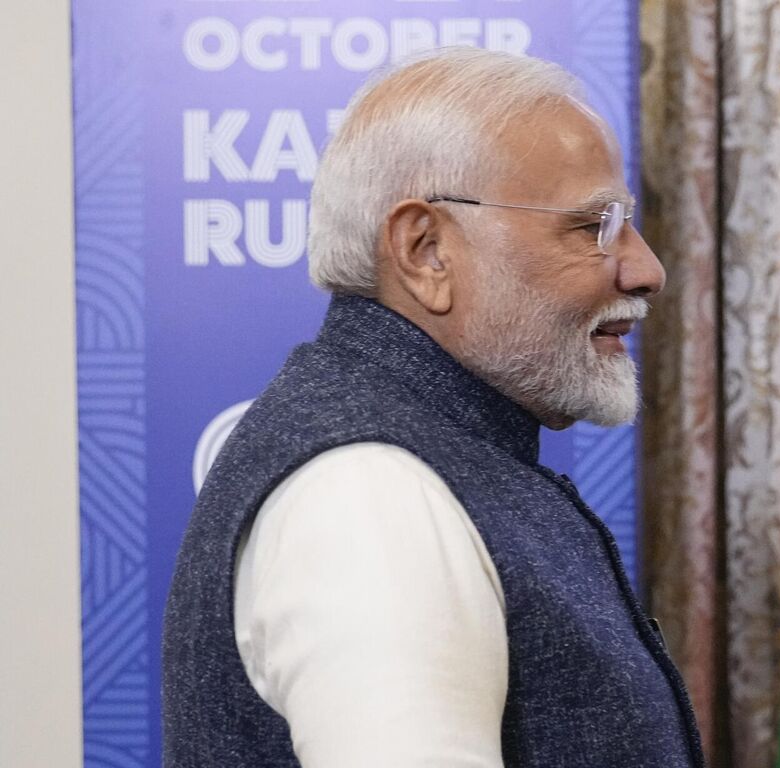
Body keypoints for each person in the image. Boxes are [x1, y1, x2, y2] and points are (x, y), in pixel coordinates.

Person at [162, 48, 702, 767]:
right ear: (425, 252)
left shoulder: (423, 459)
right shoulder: (366, 494)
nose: (646, 269)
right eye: (593, 226)